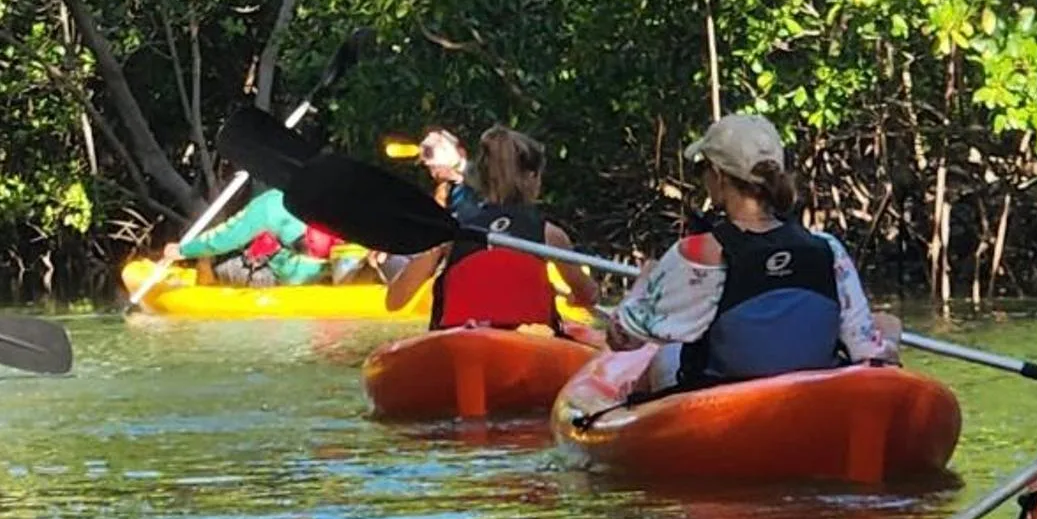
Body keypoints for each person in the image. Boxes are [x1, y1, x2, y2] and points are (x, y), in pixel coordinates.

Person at [608, 114, 898, 390]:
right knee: (888, 324)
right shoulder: (828, 248)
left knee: (665, 352)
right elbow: (864, 349)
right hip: (814, 399)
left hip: (724, 404)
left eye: (702, 169)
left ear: (719, 176)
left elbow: (623, 339)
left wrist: (643, 284)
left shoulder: (699, 252)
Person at [383, 126, 594, 335]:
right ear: (532, 177)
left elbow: (395, 300)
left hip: (460, 342)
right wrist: (576, 299)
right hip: (526, 347)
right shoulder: (549, 235)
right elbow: (589, 295)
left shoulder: (450, 233)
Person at [172, 186, 360, 286]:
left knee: (210, 257)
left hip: (293, 277)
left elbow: (225, 238)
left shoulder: (271, 202)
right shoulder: (336, 194)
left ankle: (208, 285)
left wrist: (182, 250)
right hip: (342, 270)